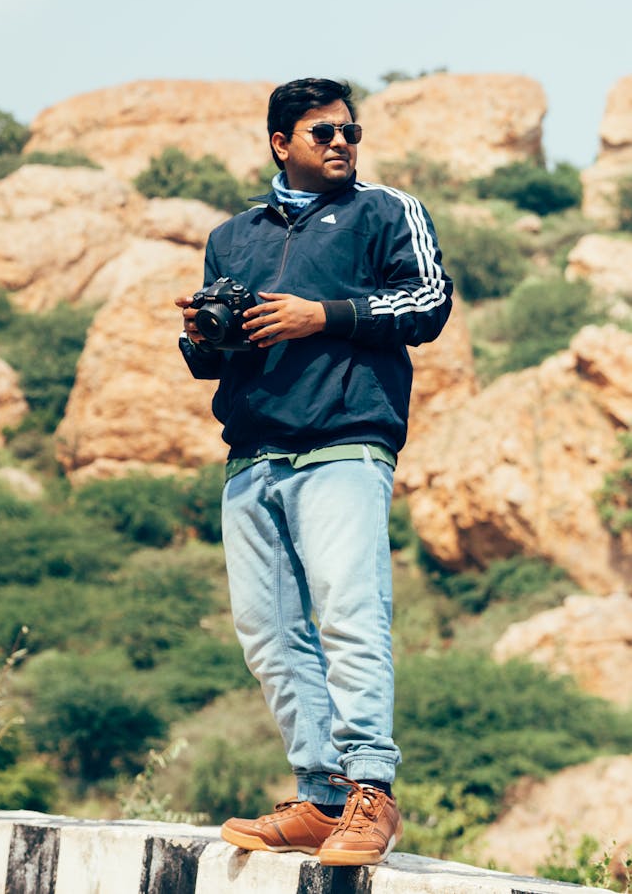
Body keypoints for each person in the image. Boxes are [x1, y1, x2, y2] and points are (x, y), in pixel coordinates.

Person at [175, 77, 452, 867]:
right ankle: (321, 792)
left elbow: (430, 303)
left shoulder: (385, 211)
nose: (341, 142)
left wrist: (320, 313)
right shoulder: (234, 236)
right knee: (267, 632)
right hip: (252, 453)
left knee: (348, 613)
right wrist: (204, 333)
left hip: (342, 442)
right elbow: (208, 361)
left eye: (350, 131)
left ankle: (371, 790)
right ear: (279, 143)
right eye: (322, 131)